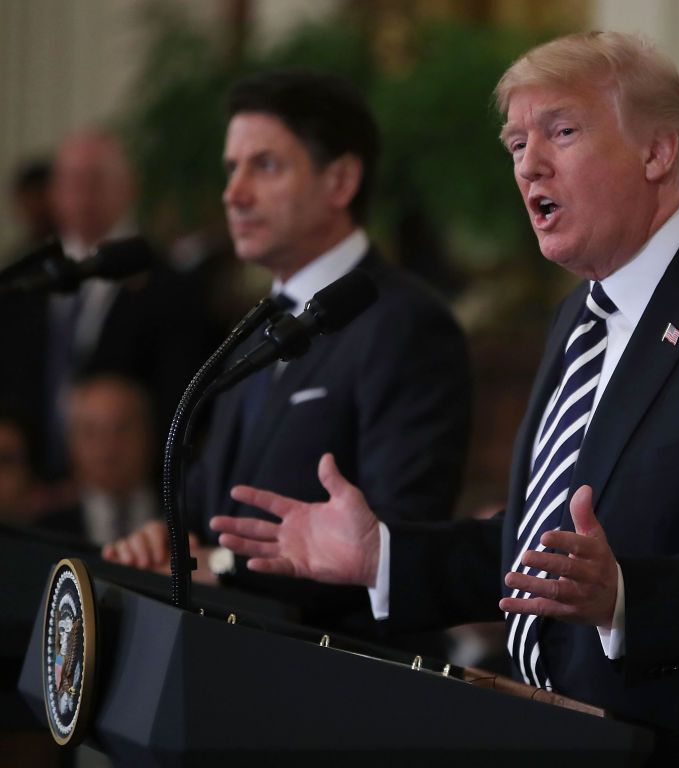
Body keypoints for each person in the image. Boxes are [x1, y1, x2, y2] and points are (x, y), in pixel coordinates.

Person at [211, 33, 679, 768]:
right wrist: (384, 556)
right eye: (516, 144)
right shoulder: (581, 318)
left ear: (657, 153)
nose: (528, 165)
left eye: (562, 132)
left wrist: (629, 598)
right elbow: (547, 554)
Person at [104, 70, 471, 629]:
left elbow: (401, 538)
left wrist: (221, 567)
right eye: (231, 169)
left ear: (341, 180)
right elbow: (207, 507)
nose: (234, 193)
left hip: (334, 675)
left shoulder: (408, 324)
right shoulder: (258, 324)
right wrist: (167, 539)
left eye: (265, 166)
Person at [0, 130, 211, 482]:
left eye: (95, 180)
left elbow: (180, 399)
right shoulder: (23, 280)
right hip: (29, 491)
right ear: (53, 191)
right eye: (70, 180)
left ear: (129, 186)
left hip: (128, 494)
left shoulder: (170, 285)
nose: (82, 195)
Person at [39, 373, 158, 546]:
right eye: (91, 432)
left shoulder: (186, 516)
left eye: (122, 429)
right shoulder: (45, 532)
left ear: (148, 435)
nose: (108, 447)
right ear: (70, 442)